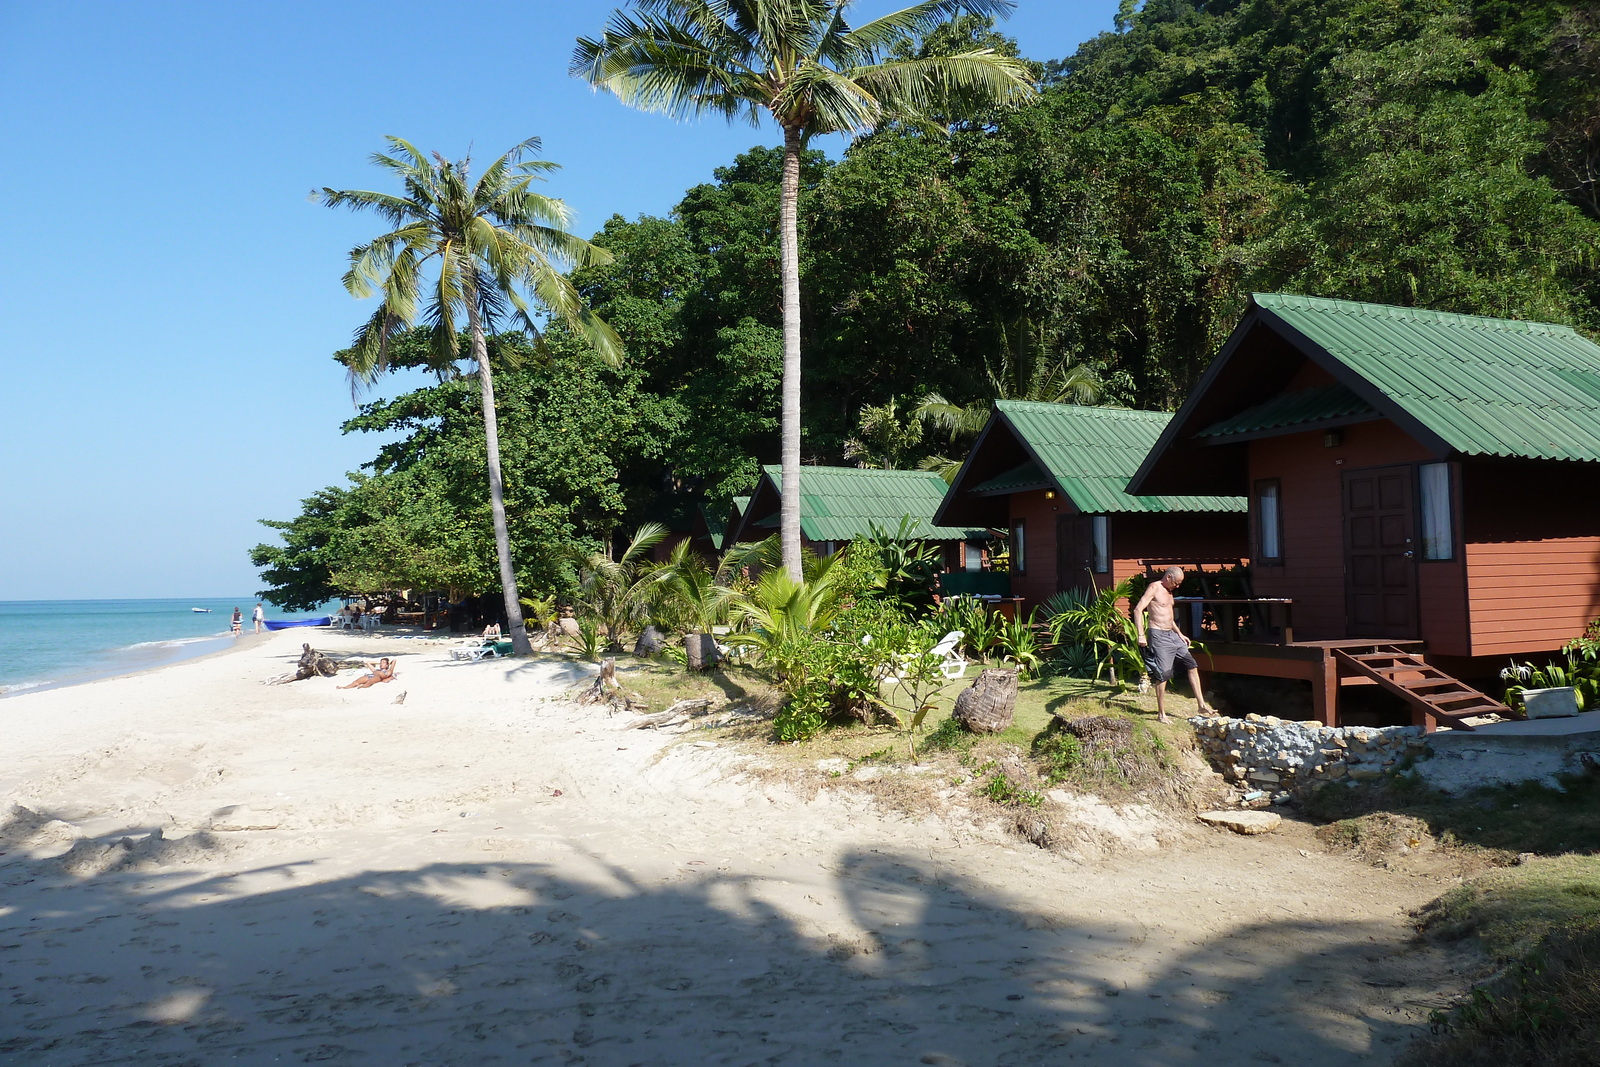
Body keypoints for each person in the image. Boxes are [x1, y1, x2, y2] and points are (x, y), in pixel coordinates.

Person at [1132, 566, 1215, 723]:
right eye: (1176, 583)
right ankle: (1161, 714)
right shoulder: (1154, 587)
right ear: (1168, 577)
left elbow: (1168, 617)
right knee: (1163, 675)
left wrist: (1180, 634)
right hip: (1158, 636)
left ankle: (1201, 705)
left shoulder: (1170, 592)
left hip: (1172, 635)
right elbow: (1138, 610)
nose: (1177, 586)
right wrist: (1141, 635)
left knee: (1192, 665)